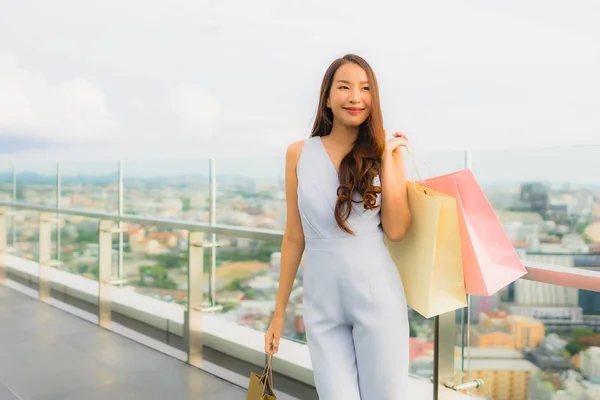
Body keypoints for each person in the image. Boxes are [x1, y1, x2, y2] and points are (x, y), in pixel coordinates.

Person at [264, 54, 411, 399]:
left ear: (373, 99)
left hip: (378, 298)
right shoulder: (298, 153)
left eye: (365, 89)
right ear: (327, 98)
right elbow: (293, 237)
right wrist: (279, 314)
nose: (355, 97)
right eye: (344, 87)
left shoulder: (386, 152)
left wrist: (389, 158)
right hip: (321, 302)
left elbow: (397, 229)